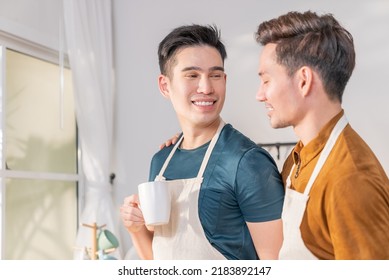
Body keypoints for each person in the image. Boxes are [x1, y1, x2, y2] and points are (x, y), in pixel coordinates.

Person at [119, 24, 285, 260]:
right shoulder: (161, 162)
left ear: (225, 80)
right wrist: (135, 230)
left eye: (215, 75)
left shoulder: (248, 163)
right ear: (165, 86)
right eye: (192, 75)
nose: (206, 88)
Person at [255, 10, 389, 259]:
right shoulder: (300, 156)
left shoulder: (350, 180)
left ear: (303, 80)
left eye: (266, 81)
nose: (260, 95)